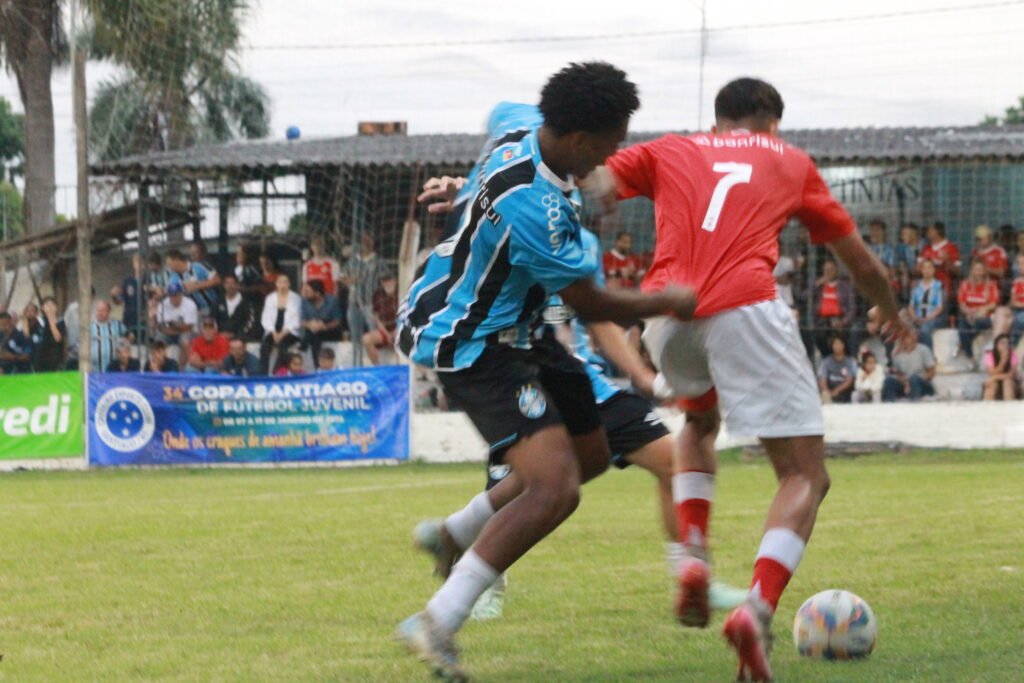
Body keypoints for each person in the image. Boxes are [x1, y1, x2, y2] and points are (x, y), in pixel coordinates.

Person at [589, 76, 908, 680]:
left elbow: (593, 182)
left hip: (666, 314)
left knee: (699, 422)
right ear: (773, 124)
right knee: (805, 474)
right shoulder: (789, 160)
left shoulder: (671, 148)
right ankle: (756, 611)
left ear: (717, 121)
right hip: (745, 307)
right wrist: (889, 310)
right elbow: (860, 261)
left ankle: (693, 555)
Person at [396, 63, 696, 681]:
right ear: (580, 139)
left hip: (525, 330)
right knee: (556, 488)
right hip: (475, 341)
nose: (614, 158)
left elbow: (499, 118)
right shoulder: (539, 209)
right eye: (611, 145)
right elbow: (591, 303)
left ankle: (455, 533)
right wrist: (670, 300)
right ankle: (437, 621)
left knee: (588, 458)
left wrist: (465, 185)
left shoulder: (523, 126)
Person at [342, 232, 385, 366]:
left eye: (368, 239)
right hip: (354, 302)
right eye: (363, 240)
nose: (366, 242)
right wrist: (349, 280)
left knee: (373, 333)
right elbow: (342, 277)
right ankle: (357, 364)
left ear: (373, 242)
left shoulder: (378, 260)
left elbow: (387, 278)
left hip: (371, 303)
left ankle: (376, 363)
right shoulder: (353, 260)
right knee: (355, 335)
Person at [957, 259, 1002, 359]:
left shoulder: (991, 285)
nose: (978, 272)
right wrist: (968, 312)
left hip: (985, 317)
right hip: (969, 315)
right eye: (976, 269)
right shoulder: (965, 284)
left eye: (981, 269)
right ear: (971, 271)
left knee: (977, 323)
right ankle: (970, 356)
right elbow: (961, 304)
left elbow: (993, 304)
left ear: (984, 271)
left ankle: (963, 343)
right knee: (962, 326)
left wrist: (981, 310)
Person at [260, 273, 302, 374]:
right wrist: (273, 332)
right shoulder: (270, 298)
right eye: (280, 282)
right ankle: (263, 375)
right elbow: (266, 317)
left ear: (289, 284)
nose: (282, 284)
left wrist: (282, 334)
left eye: (285, 282)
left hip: (289, 331)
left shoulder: (296, 298)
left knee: (283, 346)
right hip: (273, 330)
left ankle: (276, 373)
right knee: (264, 346)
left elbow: (296, 319)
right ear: (276, 284)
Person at [812, 259, 855, 357]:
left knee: (840, 336)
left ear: (836, 271)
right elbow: (804, 297)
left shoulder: (845, 287)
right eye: (826, 270)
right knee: (819, 335)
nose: (828, 272)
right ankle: (827, 359)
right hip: (821, 321)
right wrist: (816, 285)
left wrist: (844, 321)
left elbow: (852, 309)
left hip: (839, 319)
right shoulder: (819, 286)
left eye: (831, 269)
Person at [883, 329, 936, 401]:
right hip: (905, 383)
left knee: (914, 378)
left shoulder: (924, 350)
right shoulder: (896, 353)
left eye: (913, 335)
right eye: (905, 336)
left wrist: (914, 380)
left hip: (922, 383)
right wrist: (906, 383)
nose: (912, 338)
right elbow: (898, 373)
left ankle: (915, 403)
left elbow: (932, 372)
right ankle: (890, 403)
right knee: (889, 380)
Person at [168, 247, 221, 316]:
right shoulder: (173, 278)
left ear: (176, 261)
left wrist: (197, 285)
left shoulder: (200, 266)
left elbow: (218, 280)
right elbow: (172, 294)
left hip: (214, 307)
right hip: (194, 312)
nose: (168, 267)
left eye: (169, 264)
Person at [299, 280, 342, 363]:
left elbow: (337, 321)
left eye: (308, 292)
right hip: (312, 329)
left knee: (314, 332)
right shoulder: (304, 301)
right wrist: (310, 324)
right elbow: (300, 320)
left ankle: (304, 345)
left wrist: (324, 326)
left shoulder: (332, 301)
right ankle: (318, 366)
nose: (306, 294)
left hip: (329, 329)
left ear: (317, 293)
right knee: (315, 336)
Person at [156, 281, 198, 361]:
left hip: (188, 333)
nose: (173, 298)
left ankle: (182, 367)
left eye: (175, 295)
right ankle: (160, 366)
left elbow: (189, 328)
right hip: (169, 334)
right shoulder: (163, 304)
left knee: (185, 340)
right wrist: (178, 327)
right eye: (171, 295)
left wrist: (173, 325)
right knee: (159, 340)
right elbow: (162, 327)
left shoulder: (190, 304)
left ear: (181, 294)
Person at [362, 273, 398, 366]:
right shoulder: (378, 295)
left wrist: (396, 331)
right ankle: (377, 366)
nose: (387, 284)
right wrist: (387, 334)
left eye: (389, 281)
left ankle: (400, 367)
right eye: (385, 282)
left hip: (399, 329)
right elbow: (377, 318)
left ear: (395, 281)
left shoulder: (401, 292)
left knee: (401, 339)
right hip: (385, 330)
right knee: (366, 339)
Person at [908, 259, 945, 348]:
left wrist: (927, 318)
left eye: (929, 268)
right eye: (924, 268)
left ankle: (929, 353)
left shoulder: (938, 285)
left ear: (934, 270)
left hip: (933, 317)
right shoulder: (916, 285)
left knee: (925, 329)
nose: (927, 270)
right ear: (921, 270)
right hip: (917, 317)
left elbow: (939, 307)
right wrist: (914, 317)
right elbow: (911, 306)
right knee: (908, 327)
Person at [918, 221, 961, 293]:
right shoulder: (926, 249)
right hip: (926, 288)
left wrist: (947, 261)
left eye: (930, 230)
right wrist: (922, 264)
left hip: (944, 288)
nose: (927, 233)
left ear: (937, 232)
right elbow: (916, 271)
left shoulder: (951, 248)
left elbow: (958, 272)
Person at [215, 273, 259, 341]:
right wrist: (220, 334)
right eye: (227, 283)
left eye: (233, 283)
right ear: (224, 285)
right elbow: (212, 321)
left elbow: (251, 323)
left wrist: (235, 335)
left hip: (241, 339)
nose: (230, 286)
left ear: (237, 285)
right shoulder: (217, 303)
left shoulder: (247, 303)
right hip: (220, 339)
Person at [91, 300, 128, 373]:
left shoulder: (118, 325)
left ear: (109, 312)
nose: (100, 313)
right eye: (98, 310)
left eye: (103, 310)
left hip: (114, 371)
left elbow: (128, 338)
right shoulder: (89, 327)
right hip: (95, 371)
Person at [817, 336, 856, 404]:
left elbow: (849, 381)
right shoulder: (826, 361)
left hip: (845, 392)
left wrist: (836, 391)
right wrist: (827, 392)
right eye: (835, 344)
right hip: (829, 391)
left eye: (839, 343)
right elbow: (822, 379)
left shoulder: (851, 361)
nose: (837, 346)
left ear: (844, 345)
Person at [32, 297, 66, 372]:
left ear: (56, 307)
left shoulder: (60, 321)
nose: (50, 307)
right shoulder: (39, 321)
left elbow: (58, 338)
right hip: (39, 359)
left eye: (52, 305)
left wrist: (51, 318)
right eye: (47, 305)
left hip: (54, 359)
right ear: (42, 308)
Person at [982, 334, 1018, 401]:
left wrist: (994, 378)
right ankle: (987, 406)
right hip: (995, 381)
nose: (1005, 345)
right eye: (1002, 343)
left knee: (1007, 383)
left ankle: (1009, 405)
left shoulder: (1013, 355)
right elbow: (991, 373)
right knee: (991, 386)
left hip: (1009, 381)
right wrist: (1003, 360)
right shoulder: (989, 355)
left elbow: (1011, 375)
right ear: (996, 345)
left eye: (1007, 343)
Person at [1010, 254, 1024, 339]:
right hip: (1018, 311)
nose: (1020, 267)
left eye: (1023, 263)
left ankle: (1013, 344)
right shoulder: (1016, 282)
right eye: (1019, 263)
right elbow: (1013, 302)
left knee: (1018, 319)